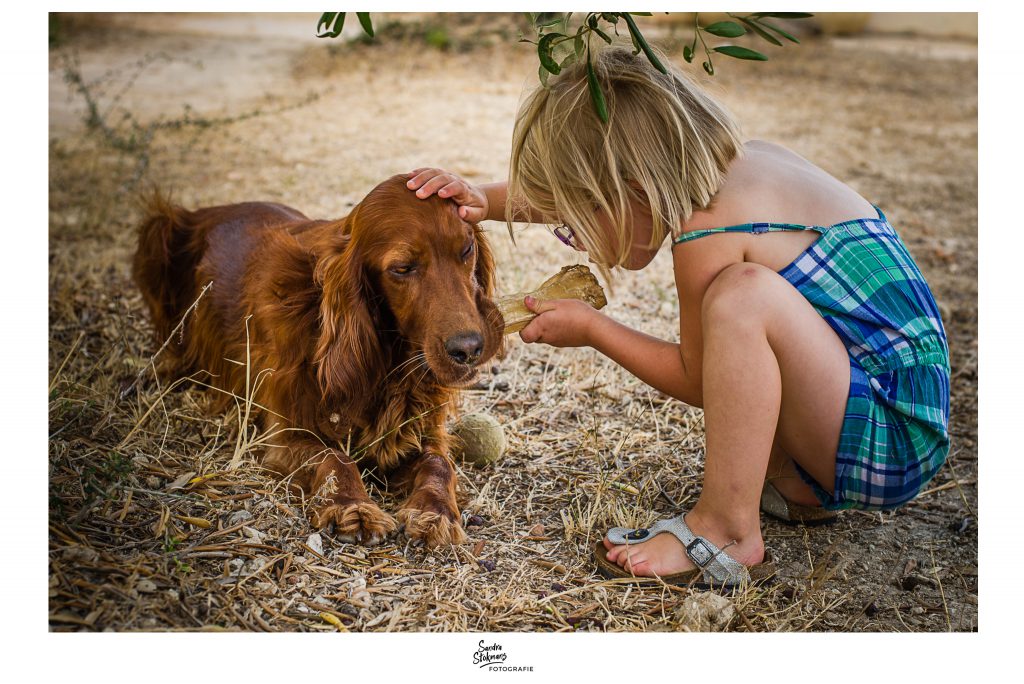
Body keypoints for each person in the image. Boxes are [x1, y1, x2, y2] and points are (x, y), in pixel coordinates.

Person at [406, 44, 950, 589]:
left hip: (894, 434)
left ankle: (725, 530)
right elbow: (603, 191)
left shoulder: (709, 230)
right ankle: (800, 486)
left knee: (744, 299)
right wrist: (483, 197)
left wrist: (594, 329)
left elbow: (701, 378)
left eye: (573, 221)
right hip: (889, 397)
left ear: (632, 190)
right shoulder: (744, 165)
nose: (576, 239)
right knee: (757, 304)